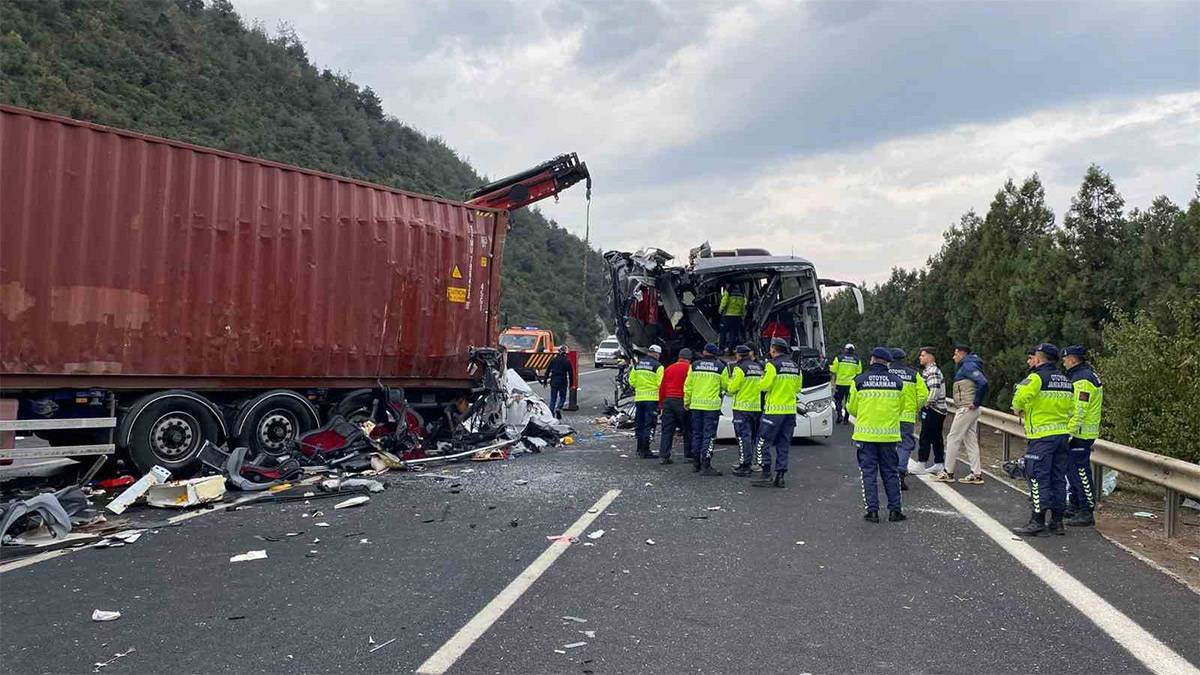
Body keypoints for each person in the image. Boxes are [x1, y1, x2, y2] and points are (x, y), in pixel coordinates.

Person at [1011, 343, 1074, 536]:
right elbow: (1072, 408)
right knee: (1058, 479)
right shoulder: (1065, 380)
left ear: (1039, 358)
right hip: (1062, 436)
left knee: (1038, 478)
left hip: (1041, 437)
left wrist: (1017, 407)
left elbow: (1020, 396)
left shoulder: (1036, 377)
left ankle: (1037, 521)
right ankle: (1057, 522)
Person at [848, 347, 906, 522]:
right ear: (887, 362)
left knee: (868, 473)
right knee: (891, 472)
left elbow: (851, 408)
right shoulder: (897, 382)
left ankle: (872, 511)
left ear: (872, 359)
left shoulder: (859, 381)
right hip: (889, 437)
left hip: (866, 436)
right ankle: (895, 511)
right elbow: (901, 408)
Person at [751, 338, 801, 488]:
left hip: (774, 411)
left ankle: (765, 473)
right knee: (783, 444)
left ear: (773, 349)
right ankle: (780, 476)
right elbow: (798, 388)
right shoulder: (795, 366)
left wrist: (760, 380)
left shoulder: (772, 365)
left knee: (762, 442)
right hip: (790, 412)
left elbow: (764, 386)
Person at [934, 344, 988, 484]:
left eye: (955, 354)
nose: (953, 357)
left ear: (961, 353)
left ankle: (948, 472)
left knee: (953, 438)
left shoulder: (968, 366)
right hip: (970, 409)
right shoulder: (970, 365)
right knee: (970, 440)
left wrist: (976, 402)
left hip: (966, 408)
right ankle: (976, 474)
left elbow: (983, 382)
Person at [1063, 345, 1103, 527]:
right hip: (1080, 432)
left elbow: (1079, 409)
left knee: (1080, 471)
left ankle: (1086, 510)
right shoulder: (1084, 375)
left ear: (1072, 359)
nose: (1063, 362)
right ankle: (1076, 505)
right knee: (1072, 471)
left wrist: (1068, 433)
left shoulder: (1082, 379)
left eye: (1065, 359)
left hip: (1081, 433)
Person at [889, 348, 927, 491]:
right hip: (906, 417)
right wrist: (916, 407)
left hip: (888, 416)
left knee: (889, 445)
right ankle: (900, 471)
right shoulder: (913, 375)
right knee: (905, 445)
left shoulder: (885, 374)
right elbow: (924, 395)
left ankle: (890, 475)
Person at [722, 344, 764, 476]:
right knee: (752, 437)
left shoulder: (740, 368)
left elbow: (733, 388)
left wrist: (728, 385)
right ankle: (752, 462)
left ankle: (744, 465)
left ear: (739, 355)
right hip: (756, 407)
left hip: (742, 407)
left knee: (742, 437)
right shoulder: (758, 367)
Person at [685, 343, 725, 476]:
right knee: (709, 436)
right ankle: (706, 465)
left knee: (697, 434)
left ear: (704, 352)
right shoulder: (720, 367)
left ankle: (696, 464)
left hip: (696, 406)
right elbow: (726, 386)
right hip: (712, 407)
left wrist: (687, 401)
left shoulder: (694, 365)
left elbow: (688, 385)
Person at [658, 348, 694, 465]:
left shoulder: (669, 368)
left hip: (669, 401)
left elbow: (662, 387)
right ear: (689, 359)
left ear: (679, 357)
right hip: (682, 401)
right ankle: (688, 455)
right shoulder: (690, 369)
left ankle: (664, 456)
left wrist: (661, 404)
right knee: (687, 429)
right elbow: (691, 386)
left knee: (667, 430)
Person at [629, 345, 664, 459]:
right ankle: (646, 450)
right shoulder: (658, 366)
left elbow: (631, 381)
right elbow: (661, 384)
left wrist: (641, 387)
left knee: (640, 424)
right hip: (652, 400)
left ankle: (639, 449)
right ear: (657, 354)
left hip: (639, 399)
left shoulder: (638, 364)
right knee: (650, 425)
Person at [916, 347, 948, 473]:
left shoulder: (932, 371)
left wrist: (926, 404)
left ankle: (921, 463)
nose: (920, 357)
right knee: (936, 437)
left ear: (930, 357)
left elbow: (934, 390)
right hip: (938, 409)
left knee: (925, 436)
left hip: (933, 409)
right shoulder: (929, 371)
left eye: (923, 355)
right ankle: (939, 463)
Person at [829, 344, 862, 424]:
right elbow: (859, 372)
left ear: (845, 349)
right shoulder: (857, 360)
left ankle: (840, 415)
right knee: (848, 402)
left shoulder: (839, 358)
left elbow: (833, 370)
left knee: (838, 400)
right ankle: (846, 419)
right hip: (851, 385)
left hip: (840, 383)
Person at [543, 345, 574, 418]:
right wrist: (571, 384)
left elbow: (547, 371)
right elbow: (571, 374)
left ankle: (551, 414)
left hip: (554, 380)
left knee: (553, 399)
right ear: (565, 352)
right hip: (562, 381)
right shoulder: (567, 361)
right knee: (562, 397)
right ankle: (559, 407)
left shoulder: (553, 360)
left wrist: (545, 380)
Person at [718, 286, 747, 354]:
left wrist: (720, 310)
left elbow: (724, 301)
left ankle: (721, 349)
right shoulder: (742, 293)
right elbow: (744, 305)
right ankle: (730, 350)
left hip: (727, 315)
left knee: (723, 333)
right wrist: (742, 314)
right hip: (737, 316)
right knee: (733, 334)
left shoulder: (728, 291)